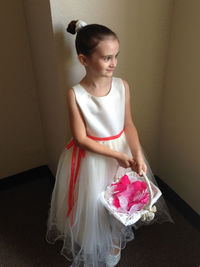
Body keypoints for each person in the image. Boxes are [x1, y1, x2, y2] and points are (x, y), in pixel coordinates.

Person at [46, 20, 174, 267]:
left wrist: (136, 153)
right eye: (106, 58)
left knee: (121, 201)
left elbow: (128, 125)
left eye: (116, 56)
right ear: (84, 60)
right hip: (92, 158)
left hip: (123, 151)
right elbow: (81, 139)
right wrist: (114, 155)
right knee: (94, 202)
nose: (114, 63)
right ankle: (94, 239)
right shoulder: (76, 94)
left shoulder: (122, 86)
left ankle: (114, 240)